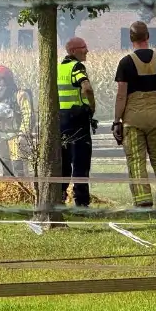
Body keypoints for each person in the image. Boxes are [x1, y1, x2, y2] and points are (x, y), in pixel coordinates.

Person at [112, 21, 156, 210]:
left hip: (133, 118)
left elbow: (121, 94)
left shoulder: (125, 62)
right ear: (148, 36)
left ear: (131, 39)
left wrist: (117, 120)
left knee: (136, 159)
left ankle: (143, 201)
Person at [59, 37, 96, 207]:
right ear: (73, 51)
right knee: (80, 161)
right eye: (83, 47)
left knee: (64, 161)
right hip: (77, 119)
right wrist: (91, 107)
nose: (87, 50)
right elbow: (86, 87)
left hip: (61, 120)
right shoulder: (77, 67)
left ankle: (59, 197)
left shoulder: (59, 68)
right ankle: (81, 201)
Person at [0, 65, 33, 177]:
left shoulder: (20, 95)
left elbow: (28, 115)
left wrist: (23, 134)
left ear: (7, 79)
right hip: (2, 137)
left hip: (17, 137)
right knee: (6, 168)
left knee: (19, 168)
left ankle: (23, 192)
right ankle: (9, 192)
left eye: (0, 79)